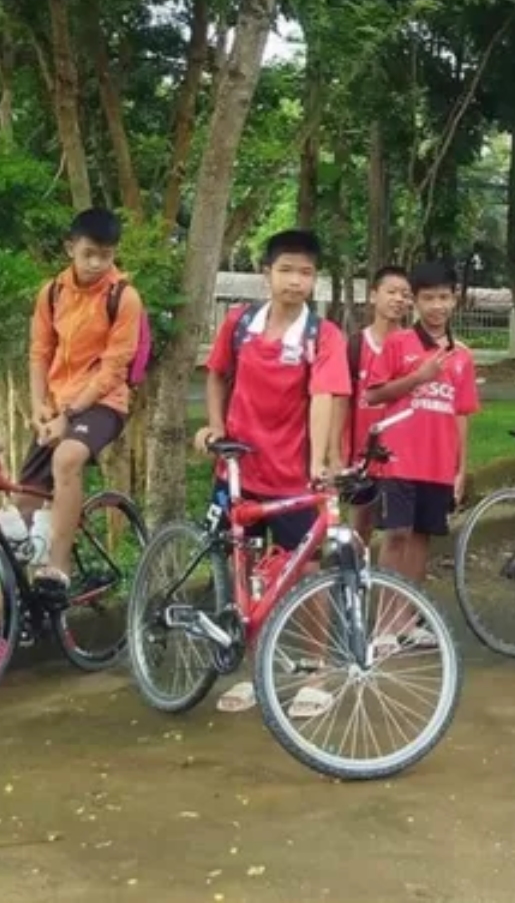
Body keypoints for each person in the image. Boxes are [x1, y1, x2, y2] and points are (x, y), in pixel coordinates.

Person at [196, 229, 351, 716]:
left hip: (291, 477)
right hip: (239, 469)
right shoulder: (239, 324)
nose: (295, 281)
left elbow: (326, 395)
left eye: (306, 272)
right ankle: (253, 671)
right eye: (286, 270)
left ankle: (316, 670)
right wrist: (215, 427)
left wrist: (319, 464)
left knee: (305, 571)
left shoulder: (321, 335)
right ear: (266, 274)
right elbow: (217, 373)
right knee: (243, 570)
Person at [0, 209, 145, 626]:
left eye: (106, 255)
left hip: (104, 403)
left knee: (67, 459)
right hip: (57, 405)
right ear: (70, 247)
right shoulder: (52, 293)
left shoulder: (124, 297)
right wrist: (40, 406)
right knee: (21, 504)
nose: (97, 263)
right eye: (89, 253)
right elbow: (39, 352)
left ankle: (58, 569)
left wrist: (70, 413)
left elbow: (114, 367)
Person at [362, 260, 479, 650]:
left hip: (438, 464)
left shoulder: (462, 355)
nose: (436, 306)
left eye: (444, 297)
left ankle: (406, 621)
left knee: (422, 540)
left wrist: (461, 467)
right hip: (398, 458)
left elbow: (462, 413)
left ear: (455, 300)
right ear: (415, 302)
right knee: (396, 535)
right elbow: (373, 394)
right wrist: (417, 378)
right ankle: (382, 626)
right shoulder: (398, 343)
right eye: (428, 298)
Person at [345, 265, 411, 549]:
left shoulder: (415, 347)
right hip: (362, 456)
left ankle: (389, 589)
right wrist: (340, 453)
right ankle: (352, 588)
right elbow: (342, 403)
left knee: (399, 532)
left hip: (402, 458)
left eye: (405, 294)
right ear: (373, 295)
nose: (398, 299)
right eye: (391, 292)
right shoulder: (355, 345)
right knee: (359, 528)